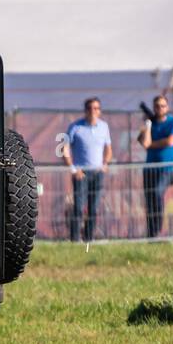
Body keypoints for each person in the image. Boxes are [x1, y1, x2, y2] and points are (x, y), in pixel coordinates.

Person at [61, 97, 112, 243]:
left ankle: (89, 240)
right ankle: (75, 240)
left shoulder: (104, 127)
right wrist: (73, 169)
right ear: (85, 110)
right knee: (78, 208)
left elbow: (108, 149)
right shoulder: (75, 127)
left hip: (98, 173)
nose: (93, 111)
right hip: (80, 174)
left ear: (100, 111)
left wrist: (105, 164)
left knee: (94, 209)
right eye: (90, 108)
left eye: (96, 108)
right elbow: (64, 149)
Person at [137, 94, 173, 238]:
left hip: (166, 169)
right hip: (150, 168)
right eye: (157, 106)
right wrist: (148, 126)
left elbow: (170, 141)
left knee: (157, 193)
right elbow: (144, 142)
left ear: (167, 107)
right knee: (149, 200)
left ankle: (157, 228)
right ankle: (151, 233)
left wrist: (152, 145)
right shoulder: (151, 123)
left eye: (163, 106)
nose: (160, 108)